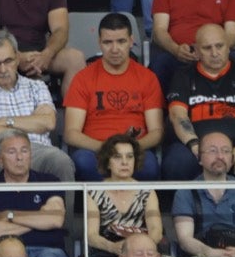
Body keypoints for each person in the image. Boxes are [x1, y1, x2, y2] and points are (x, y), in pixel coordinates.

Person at [161, 22, 235, 196]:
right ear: (196, 50)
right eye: (207, 48)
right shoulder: (183, 75)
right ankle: (183, 218)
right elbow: (177, 115)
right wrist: (196, 147)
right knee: (175, 164)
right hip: (195, 145)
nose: (215, 53)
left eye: (219, 46)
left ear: (228, 46)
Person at [62, 13, 163, 181]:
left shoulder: (147, 78)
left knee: (150, 166)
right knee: (82, 163)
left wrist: (129, 150)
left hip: (134, 149)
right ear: (99, 43)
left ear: (131, 41)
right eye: (108, 42)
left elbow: (157, 132)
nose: (115, 49)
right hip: (96, 150)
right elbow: (71, 133)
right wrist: (107, 148)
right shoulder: (83, 78)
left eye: (121, 41)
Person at [0, 29, 74, 182]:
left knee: (61, 161)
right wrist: (32, 122)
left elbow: (48, 122)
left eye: (8, 61)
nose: (3, 69)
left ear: (17, 58)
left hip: (37, 149)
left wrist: (6, 121)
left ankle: (63, 207)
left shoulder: (37, 87)